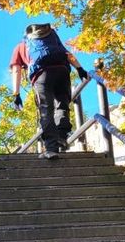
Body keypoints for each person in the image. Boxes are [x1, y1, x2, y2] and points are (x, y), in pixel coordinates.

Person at [10, 23, 89, 159]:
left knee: (46, 109)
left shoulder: (21, 46)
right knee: (62, 105)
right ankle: (62, 137)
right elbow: (67, 54)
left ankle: (51, 148)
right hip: (62, 71)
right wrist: (80, 69)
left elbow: (16, 70)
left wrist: (16, 94)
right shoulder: (51, 38)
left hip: (41, 75)